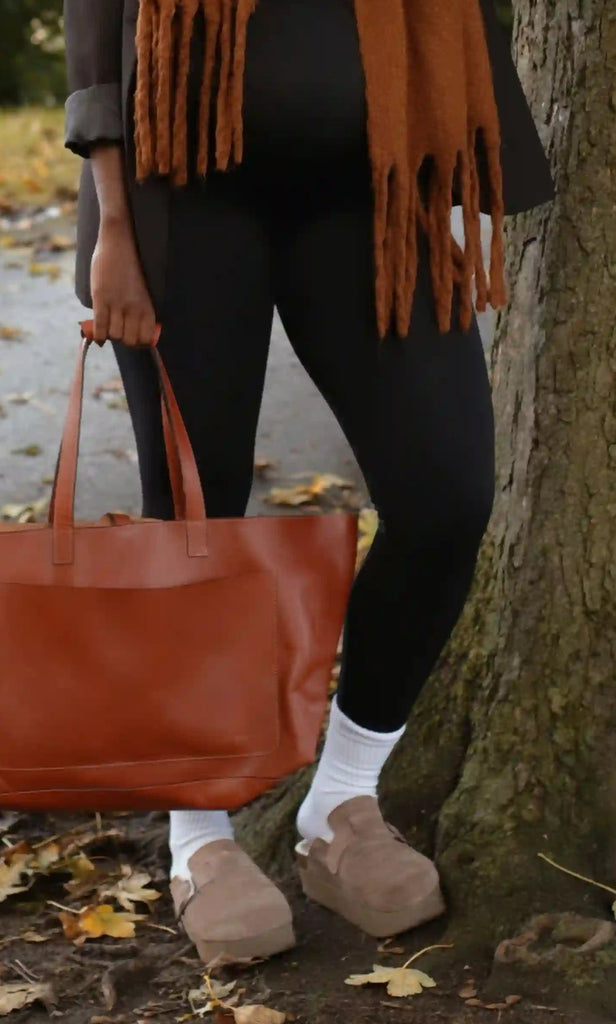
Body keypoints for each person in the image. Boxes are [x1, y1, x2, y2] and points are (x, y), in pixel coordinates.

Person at [62, 0, 556, 963]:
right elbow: (95, 20)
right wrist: (112, 222)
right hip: (182, 188)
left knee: (446, 495)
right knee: (197, 524)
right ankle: (198, 839)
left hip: (370, 191)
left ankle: (340, 805)